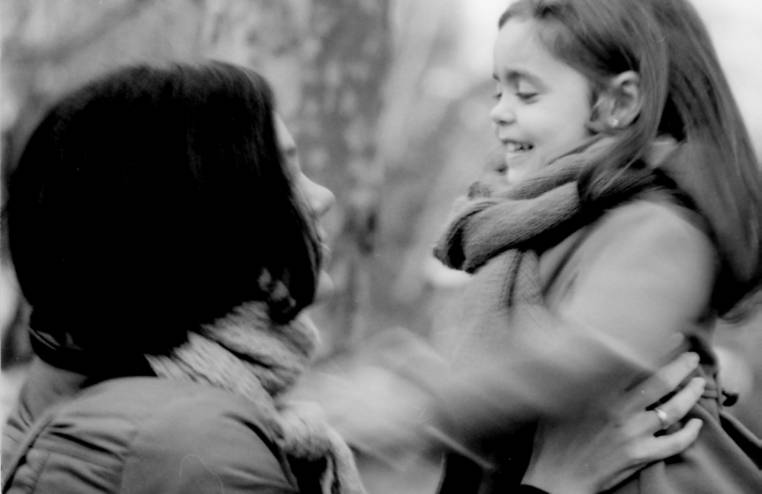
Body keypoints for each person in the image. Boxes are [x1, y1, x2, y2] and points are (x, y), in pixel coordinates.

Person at [0, 61, 715, 494]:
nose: (322, 197)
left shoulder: (154, 406)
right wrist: (555, 484)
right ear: (201, 221)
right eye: (285, 172)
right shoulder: (190, 444)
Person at [430, 0, 762, 492]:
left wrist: (412, 405)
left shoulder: (656, 226)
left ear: (619, 103)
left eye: (526, 93)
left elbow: (582, 358)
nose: (498, 112)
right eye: (499, 90)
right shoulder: (530, 234)